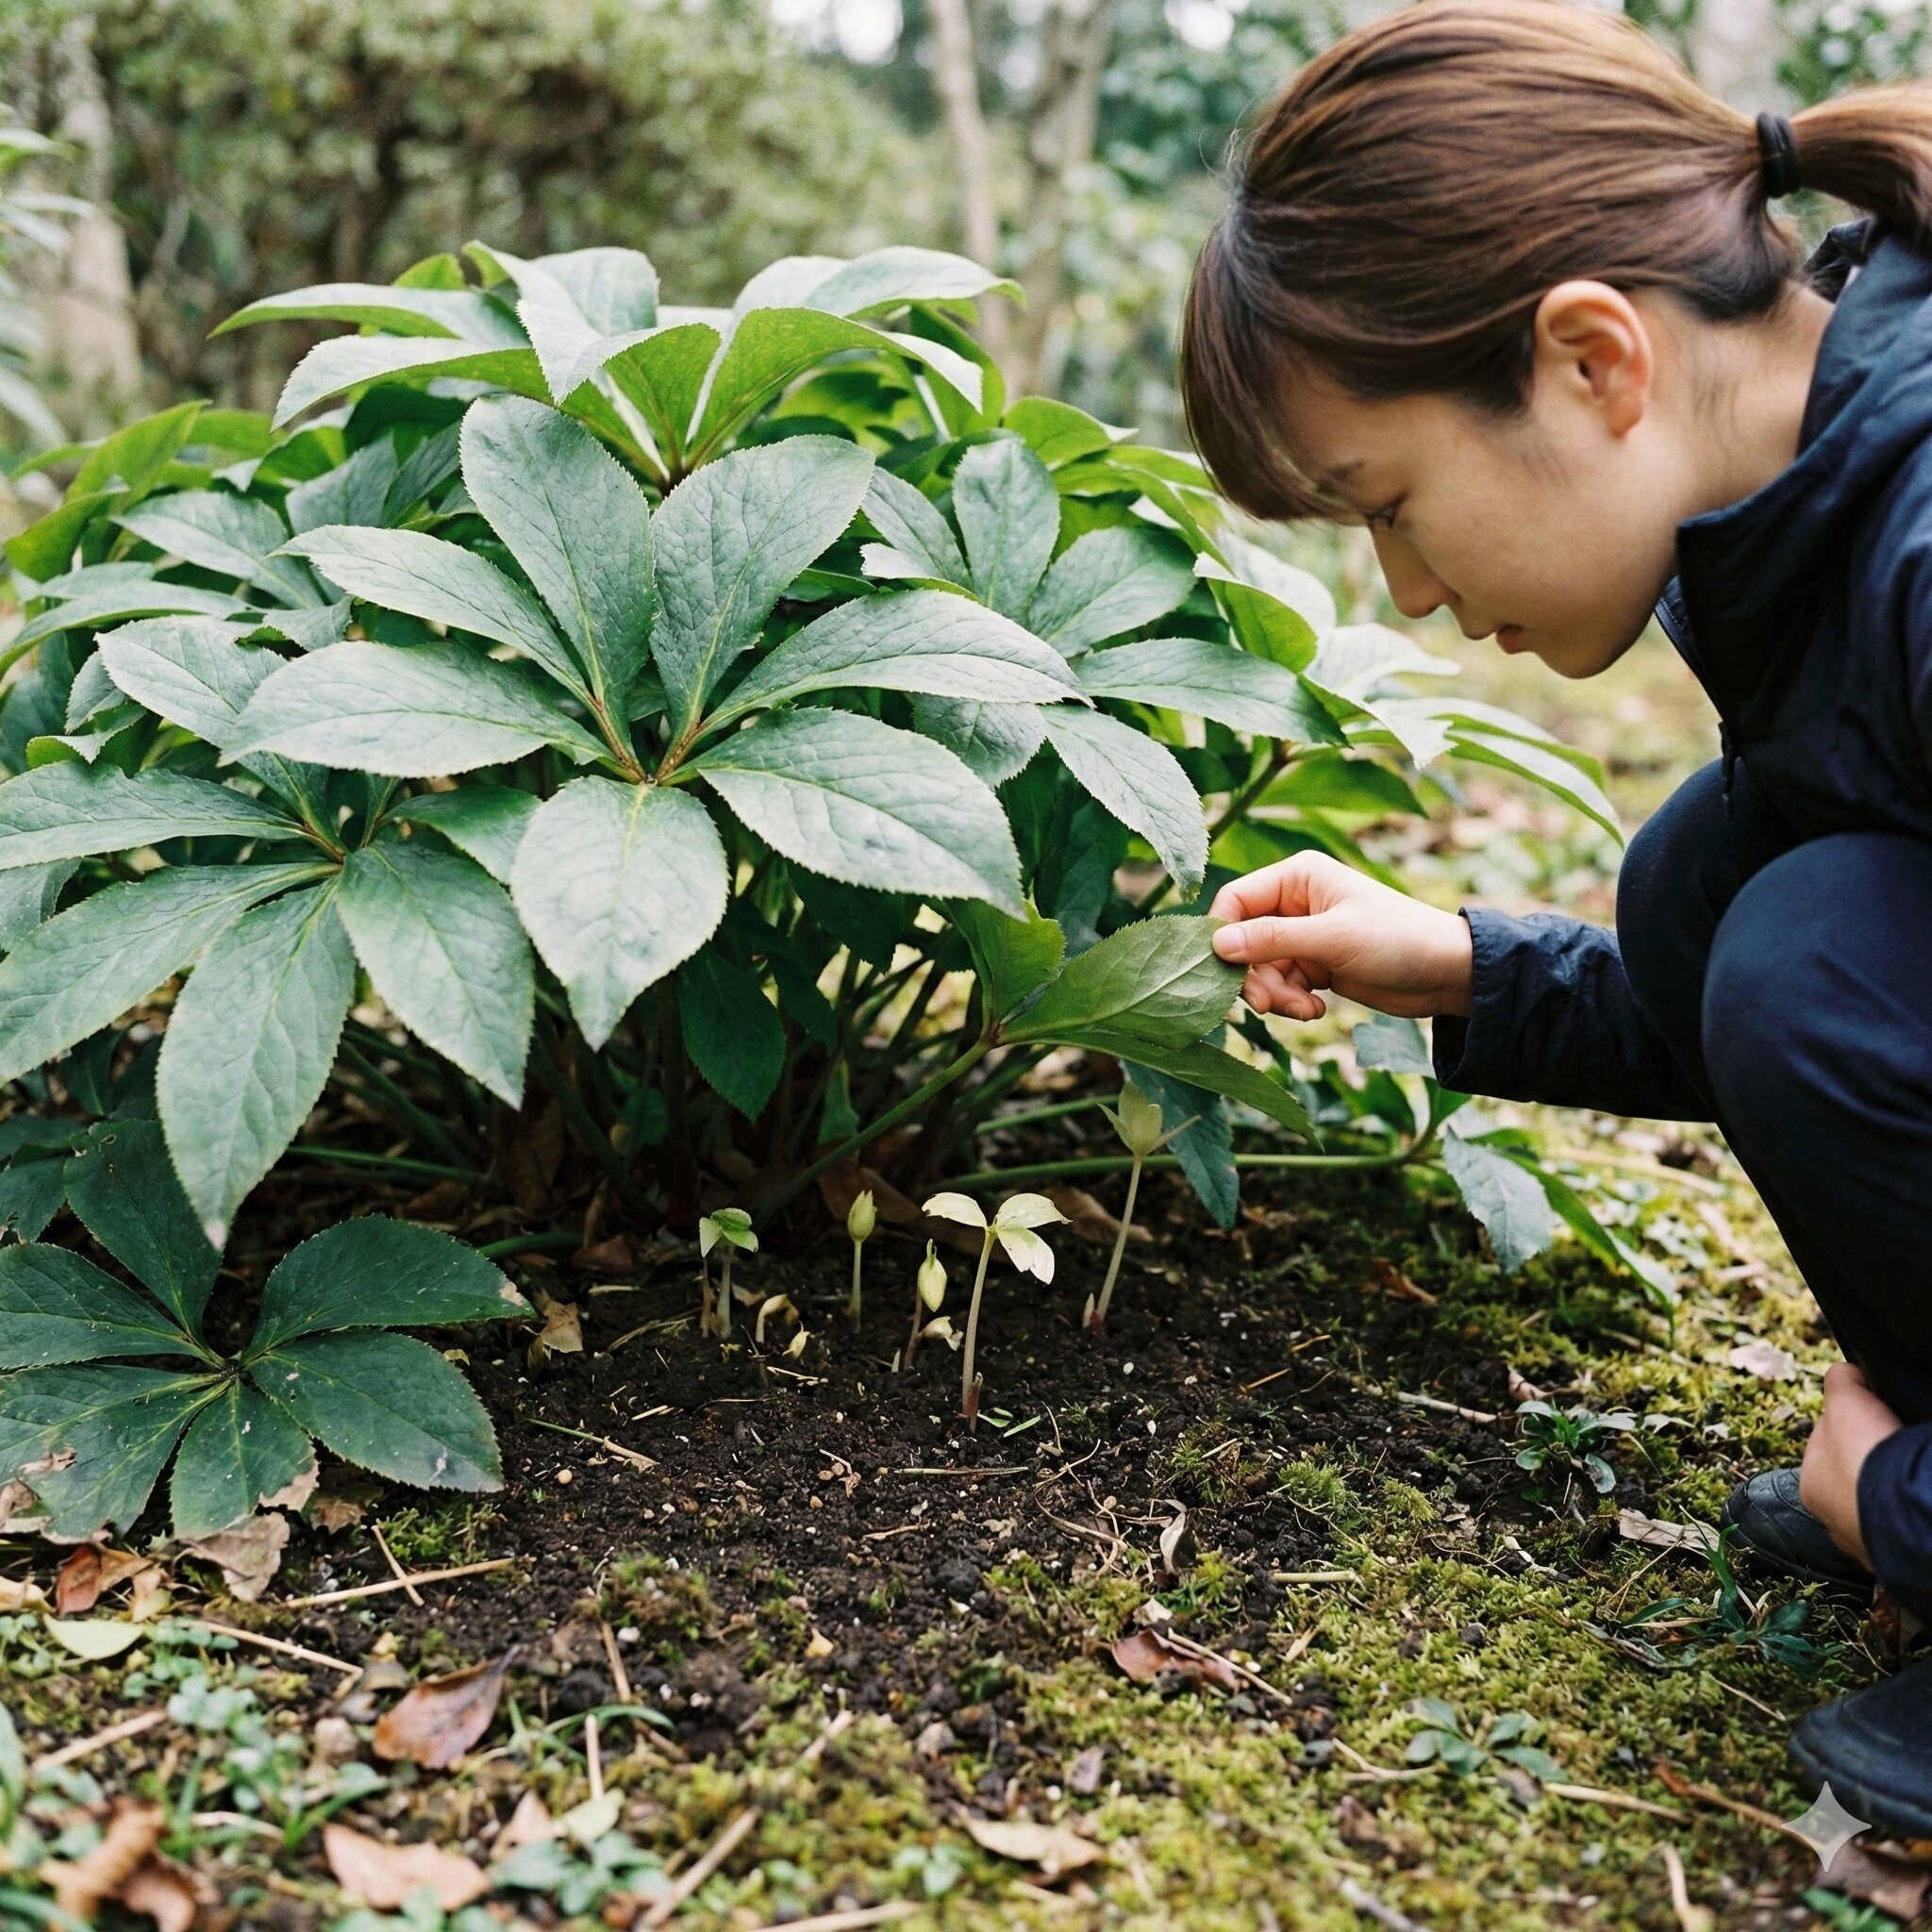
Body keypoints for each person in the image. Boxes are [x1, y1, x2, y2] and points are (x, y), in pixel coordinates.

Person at [1180, 0, 1932, 1836]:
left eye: (1391, 506)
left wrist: (1898, 1501)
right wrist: (1455, 964)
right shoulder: (1810, 507)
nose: (1410, 590)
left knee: (1794, 932)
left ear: (1592, 359)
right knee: (1721, 876)